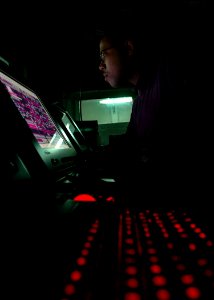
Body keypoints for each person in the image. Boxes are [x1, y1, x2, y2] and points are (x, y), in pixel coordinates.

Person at [97, 19, 189, 206]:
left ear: (128, 48)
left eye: (103, 54)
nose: (100, 66)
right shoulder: (140, 97)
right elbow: (130, 146)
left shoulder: (169, 73)